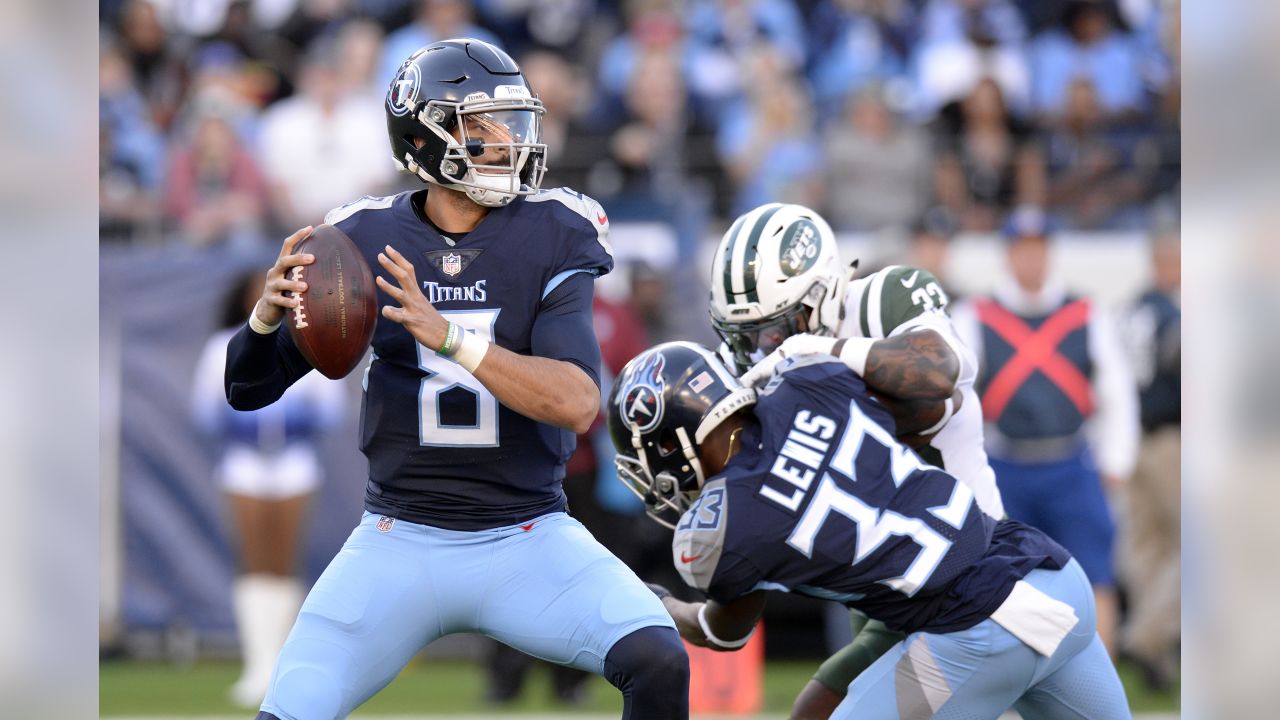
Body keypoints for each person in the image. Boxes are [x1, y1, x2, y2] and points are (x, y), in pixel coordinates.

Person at [224, 39, 688, 720]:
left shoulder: (552, 230)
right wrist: (265, 323)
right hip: (397, 539)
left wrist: (449, 336)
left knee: (659, 660)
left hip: (527, 535)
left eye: (511, 123)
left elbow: (577, 402)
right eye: (483, 128)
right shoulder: (360, 238)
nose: (509, 142)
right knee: (288, 712)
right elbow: (248, 389)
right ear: (424, 137)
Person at [608, 341, 1131, 719]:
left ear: (672, 443)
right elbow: (931, 395)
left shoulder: (727, 531)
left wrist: (663, 605)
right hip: (1053, 575)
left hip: (979, 630)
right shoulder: (812, 381)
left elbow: (726, 629)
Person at [708, 202, 1005, 719]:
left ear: (820, 298)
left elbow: (940, 371)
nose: (762, 351)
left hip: (967, 569)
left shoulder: (886, 300)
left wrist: (823, 353)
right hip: (880, 595)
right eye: (746, 337)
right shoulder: (772, 365)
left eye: (773, 331)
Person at [951, 207, 1140, 656]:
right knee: (1001, 580)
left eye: (1039, 251)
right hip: (1003, 466)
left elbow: (1115, 389)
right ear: (1009, 255)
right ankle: (1014, 693)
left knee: (1095, 575)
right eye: (1022, 251)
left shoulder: (1084, 312)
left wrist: (1117, 459)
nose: (1031, 261)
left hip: (1072, 463)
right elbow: (955, 396)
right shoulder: (975, 314)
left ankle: (1101, 682)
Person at [192, 272, 347, 708]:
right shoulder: (221, 345)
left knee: (285, 561)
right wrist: (249, 427)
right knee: (253, 561)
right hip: (243, 465)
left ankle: (279, 661)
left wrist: (288, 426)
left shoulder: (309, 343)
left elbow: (331, 410)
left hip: (294, 464)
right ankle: (256, 664)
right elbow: (206, 410)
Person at [1116, 230, 1180, 690]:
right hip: (1171, 440)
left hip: (1132, 435)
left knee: (1148, 547)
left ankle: (1154, 653)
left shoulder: (1130, 308)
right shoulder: (1177, 313)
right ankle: (1146, 636)